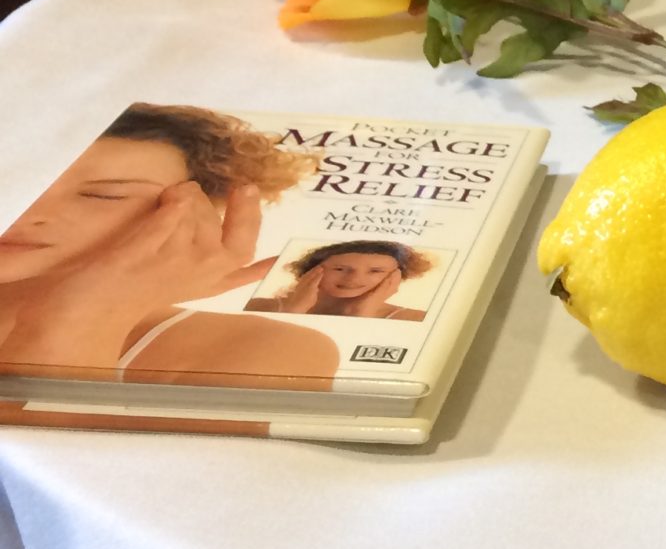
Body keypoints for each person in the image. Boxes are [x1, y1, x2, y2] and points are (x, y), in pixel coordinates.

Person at [0, 104, 338, 385]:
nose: (22, 212)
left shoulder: (267, 352)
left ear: (202, 212)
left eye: (102, 195)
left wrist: (84, 314)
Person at [250, 241, 431, 321]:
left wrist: (362, 314)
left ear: (396, 276)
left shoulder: (415, 319)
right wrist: (293, 311)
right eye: (340, 269)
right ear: (310, 270)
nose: (354, 279)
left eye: (375, 271)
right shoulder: (256, 307)